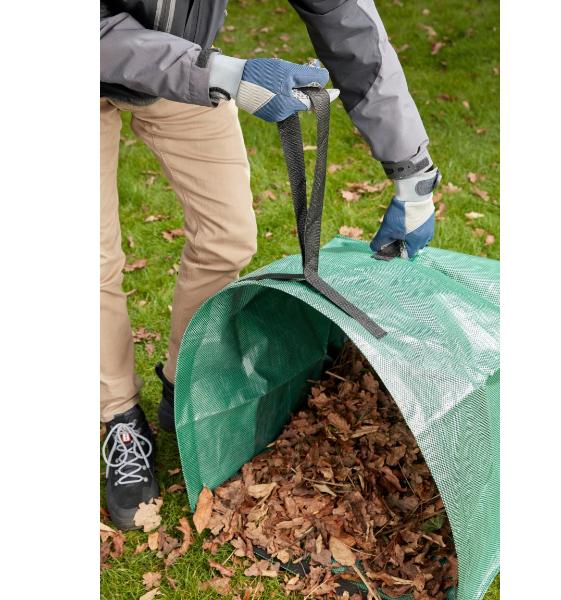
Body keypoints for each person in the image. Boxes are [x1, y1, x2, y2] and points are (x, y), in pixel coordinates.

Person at [100, 0, 440, 530]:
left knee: (227, 237)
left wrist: (413, 171)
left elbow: (349, 25)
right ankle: (119, 416)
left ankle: (182, 383)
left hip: (184, 61)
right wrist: (224, 74)